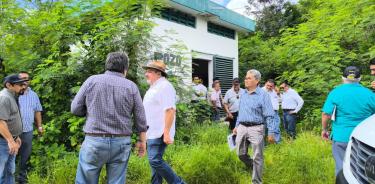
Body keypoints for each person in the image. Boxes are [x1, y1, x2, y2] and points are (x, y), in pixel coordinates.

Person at [71, 52, 148, 184]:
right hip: (121, 143)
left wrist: (91, 112)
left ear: (107, 66)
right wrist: (142, 142)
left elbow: (75, 109)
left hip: (94, 141)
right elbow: (141, 118)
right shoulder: (131, 86)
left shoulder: (92, 81)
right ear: (125, 69)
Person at [321, 66, 375, 177]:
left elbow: (326, 114)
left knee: (341, 168)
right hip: (363, 140)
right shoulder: (370, 94)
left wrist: (324, 130)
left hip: (341, 137)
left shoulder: (335, 92)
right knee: (361, 170)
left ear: (343, 78)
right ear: (360, 78)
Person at [142, 60, 185, 184]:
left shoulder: (165, 86)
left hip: (159, 132)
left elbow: (170, 110)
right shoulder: (153, 87)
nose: (146, 74)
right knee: (154, 166)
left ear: (158, 73)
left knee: (154, 160)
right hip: (151, 132)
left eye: (149, 71)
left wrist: (166, 133)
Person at [233, 69, 277, 184]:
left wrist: (271, 132)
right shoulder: (243, 94)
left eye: (249, 78)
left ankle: (256, 181)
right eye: (246, 78)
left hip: (257, 128)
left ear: (257, 81)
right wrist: (237, 126)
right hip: (242, 127)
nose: (246, 80)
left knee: (258, 156)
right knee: (240, 153)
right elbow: (240, 112)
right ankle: (253, 165)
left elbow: (270, 115)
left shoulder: (263, 95)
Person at [0, 74, 28, 184]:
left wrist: (16, 137)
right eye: (20, 84)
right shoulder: (4, 97)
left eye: (24, 84)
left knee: (9, 171)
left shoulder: (12, 96)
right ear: (9, 85)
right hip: (3, 142)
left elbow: (10, 119)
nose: (23, 86)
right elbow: (1, 122)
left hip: (10, 141)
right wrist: (10, 140)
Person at [17, 71, 43, 184]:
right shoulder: (13, 93)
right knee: (9, 155)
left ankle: (21, 177)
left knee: (25, 155)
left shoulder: (34, 95)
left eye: (26, 78)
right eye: (21, 78)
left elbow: (37, 111)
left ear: (29, 81)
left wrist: (40, 126)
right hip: (13, 131)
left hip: (28, 130)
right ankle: (7, 178)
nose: (24, 81)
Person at [262, 79, 281, 143]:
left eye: (271, 86)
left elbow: (280, 101)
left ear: (273, 86)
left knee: (276, 127)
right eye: (268, 85)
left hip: (274, 112)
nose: (269, 87)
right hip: (263, 112)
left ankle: (277, 144)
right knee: (263, 128)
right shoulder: (260, 91)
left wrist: (278, 93)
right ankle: (263, 144)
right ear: (265, 84)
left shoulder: (275, 91)